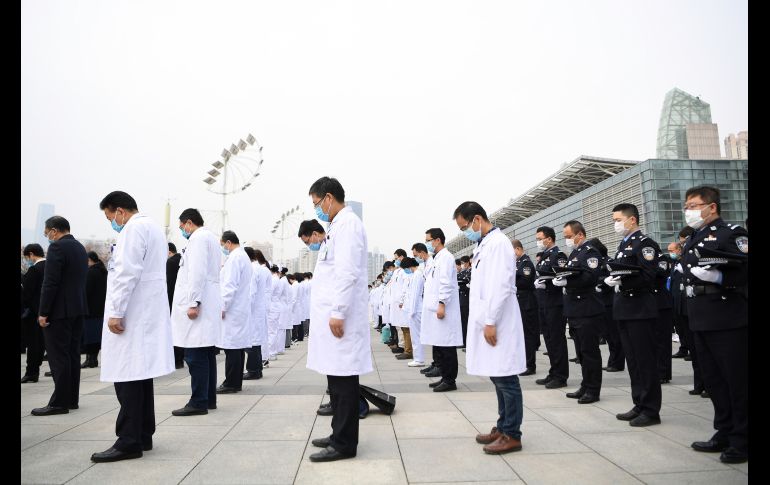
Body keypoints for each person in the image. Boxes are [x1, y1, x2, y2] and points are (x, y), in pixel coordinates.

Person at [90, 191, 175, 463]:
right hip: (146, 312)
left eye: (110, 217)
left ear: (119, 211)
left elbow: (125, 272)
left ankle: (128, 440)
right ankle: (143, 434)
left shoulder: (132, 230)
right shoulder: (152, 228)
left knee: (127, 377)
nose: (112, 222)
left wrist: (115, 312)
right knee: (140, 376)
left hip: (132, 313)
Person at [305, 176, 372, 462]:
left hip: (341, 317)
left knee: (344, 383)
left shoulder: (348, 225)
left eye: (317, 204)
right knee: (336, 379)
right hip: (333, 315)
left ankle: (345, 443)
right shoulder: (336, 226)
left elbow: (347, 272)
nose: (317, 210)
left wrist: (338, 311)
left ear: (329, 197)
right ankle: (337, 434)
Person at [681, 186, 748, 464]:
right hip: (700, 315)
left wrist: (720, 278)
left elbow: (745, 269)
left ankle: (742, 439)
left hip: (727, 315)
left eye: (694, 205)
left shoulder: (733, 233)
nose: (689, 210)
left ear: (712, 207)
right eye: (687, 205)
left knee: (736, 381)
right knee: (714, 380)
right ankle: (724, 430)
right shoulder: (694, 236)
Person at [453, 201, 525, 454]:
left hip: (499, 319)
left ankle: (512, 434)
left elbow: (501, 285)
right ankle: (503, 426)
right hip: (489, 318)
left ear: (477, 219)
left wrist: (491, 320)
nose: (465, 232)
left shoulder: (499, 244)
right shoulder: (484, 244)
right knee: (497, 375)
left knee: (506, 376)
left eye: (464, 227)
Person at [606, 203, 662, 427]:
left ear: (632, 220)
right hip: (625, 308)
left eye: (618, 220)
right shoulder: (624, 244)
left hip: (640, 308)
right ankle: (639, 403)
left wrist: (623, 279)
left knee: (645, 361)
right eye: (614, 221)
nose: (615, 224)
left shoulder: (645, 244)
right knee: (634, 361)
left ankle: (651, 410)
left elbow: (650, 275)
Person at [31, 216, 88, 416]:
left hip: (59, 311)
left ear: (54, 230)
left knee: (58, 357)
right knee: (72, 355)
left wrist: (43, 312)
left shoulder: (57, 248)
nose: (48, 237)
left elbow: (51, 283)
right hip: (78, 309)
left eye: (47, 233)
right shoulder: (80, 248)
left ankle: (59, 403)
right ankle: (71, 398)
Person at [170, 208, 223, 416]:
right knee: (206, 352)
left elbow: (197, 272)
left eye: (182, 226)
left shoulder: (199, 239)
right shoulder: (208, 238)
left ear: (189, 222)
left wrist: (193, 302)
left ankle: (198, 401)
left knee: (195, 355)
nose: (182, 230)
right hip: (206, 301)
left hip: (198, 304)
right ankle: (208, 398)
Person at [556, 221, 604, 404]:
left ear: (580, 235)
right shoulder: (576, 253)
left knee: (589, 351)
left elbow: (589, 277)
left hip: (587, 308)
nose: (567, 240)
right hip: (575, 309)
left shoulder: (590, 252)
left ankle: (593, 389)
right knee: (581, 352)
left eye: (569, 236)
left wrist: (567, 281)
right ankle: (585, 384)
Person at [421, 227, 463, 392]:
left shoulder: (446, 257)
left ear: (437, 240)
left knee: (447, 346)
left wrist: (442, 303)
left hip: (443, 308)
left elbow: (445, 283)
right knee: (440, 345)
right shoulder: (436, 259)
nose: (428, 244)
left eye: (428, 240)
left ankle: (450, 380)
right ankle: (444, 377)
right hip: (436, 308)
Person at [216, 230, 254, 394]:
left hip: (233, 309)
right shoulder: (243, 256)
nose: (223, 248)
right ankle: (235, 381)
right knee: (237, 348)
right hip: (240, 308)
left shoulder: (234, 258)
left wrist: (223, 306)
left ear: (228, 242)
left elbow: (229, 285)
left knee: (232, 347)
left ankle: (231, 382)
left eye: (222, 245)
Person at [533, 226, 569, 389]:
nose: (538, 242)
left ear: (549, 238)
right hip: (544, 303)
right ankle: (554, 372)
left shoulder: (558, 255)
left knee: (557, 340)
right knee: (548, 339)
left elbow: (561, 277)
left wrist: (547, 283)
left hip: (555, 303)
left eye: (540, 238)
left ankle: (561, 376)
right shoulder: (545, 256)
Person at [589, 238, 625, 373]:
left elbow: (613, 279)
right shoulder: (596, 263)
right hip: (600, 302)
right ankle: (613, 360)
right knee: (607, 334)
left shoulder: (608, 262)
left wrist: (601, 283)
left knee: (614, 334)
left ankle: (617, 362)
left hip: (609, 301)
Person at [243, 247, 270, 380]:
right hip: (258, 310)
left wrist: (245, 309)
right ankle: (257, 369)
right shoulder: (259, 268)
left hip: (253, 310)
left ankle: (253, 370)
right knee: (256, 341)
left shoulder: (252, 269)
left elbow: (251, 293)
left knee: (253, 341)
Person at [21, 243, 46, 383]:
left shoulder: (34, 269)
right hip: (48, 311)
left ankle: (31, 372)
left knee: (33, 344)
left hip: (34, 313)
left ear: (31, 254)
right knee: (42, 343)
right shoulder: (50, 267)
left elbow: (27, 293)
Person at [512, 239, 538, 376]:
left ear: (517, 249)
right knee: (520, 335)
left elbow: (525, 281)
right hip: (519, 301)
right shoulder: (517, 263)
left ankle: (530, 364)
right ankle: (522, 362)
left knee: (528, 335)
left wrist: (510, 281)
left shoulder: (526, 262)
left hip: (527, 302)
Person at [82, 251, 107, 368]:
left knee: (90, 335)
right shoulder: (103, 271)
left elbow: (86, 291)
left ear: (89, 260)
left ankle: (90, 359)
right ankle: (94, 359)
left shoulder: (90, 272)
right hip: (101, 308)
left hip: (90, 309)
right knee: (96, 335)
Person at [400, 257, 426, 367]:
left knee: (416, 335)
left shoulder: (417, 275)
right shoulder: (414, 275)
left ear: (409, 266)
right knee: (414, 335)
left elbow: (415, 295)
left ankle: (419, 359)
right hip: (414, 309)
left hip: (416, 310)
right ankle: (417, 358)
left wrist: (412, 310)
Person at [167, 242, 184, 369]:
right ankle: (180, 359)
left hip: (172, 300)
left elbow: (168, 285)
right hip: (182, 300)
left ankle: (176, 360)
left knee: (173, 332)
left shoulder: (170, 262)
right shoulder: (181, 260)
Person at [457, 255, 472, 350]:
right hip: (462, 299)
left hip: (467, 300)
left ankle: (466, 342)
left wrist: (463, 286)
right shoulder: (463, 272)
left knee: (466, 322)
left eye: (463, 263)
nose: (462, 265)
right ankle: (464, 341)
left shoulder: (471, 272)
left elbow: (469, 285)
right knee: (463, 322)